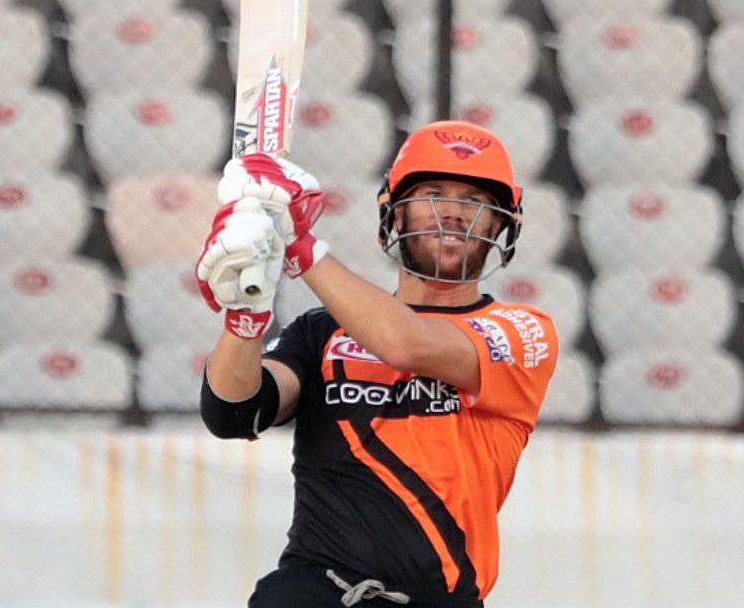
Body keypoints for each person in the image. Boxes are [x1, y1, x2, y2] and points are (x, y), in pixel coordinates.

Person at [195, 120, 559, 607]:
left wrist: (299, 245)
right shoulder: (322, 331)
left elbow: (405, 345)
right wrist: (244, 318)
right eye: (433, 194)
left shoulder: (522, 331)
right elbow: (233, 412)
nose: (452, 212)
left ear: (500, 225)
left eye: (474, 200)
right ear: (396, 213)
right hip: (315, 591)